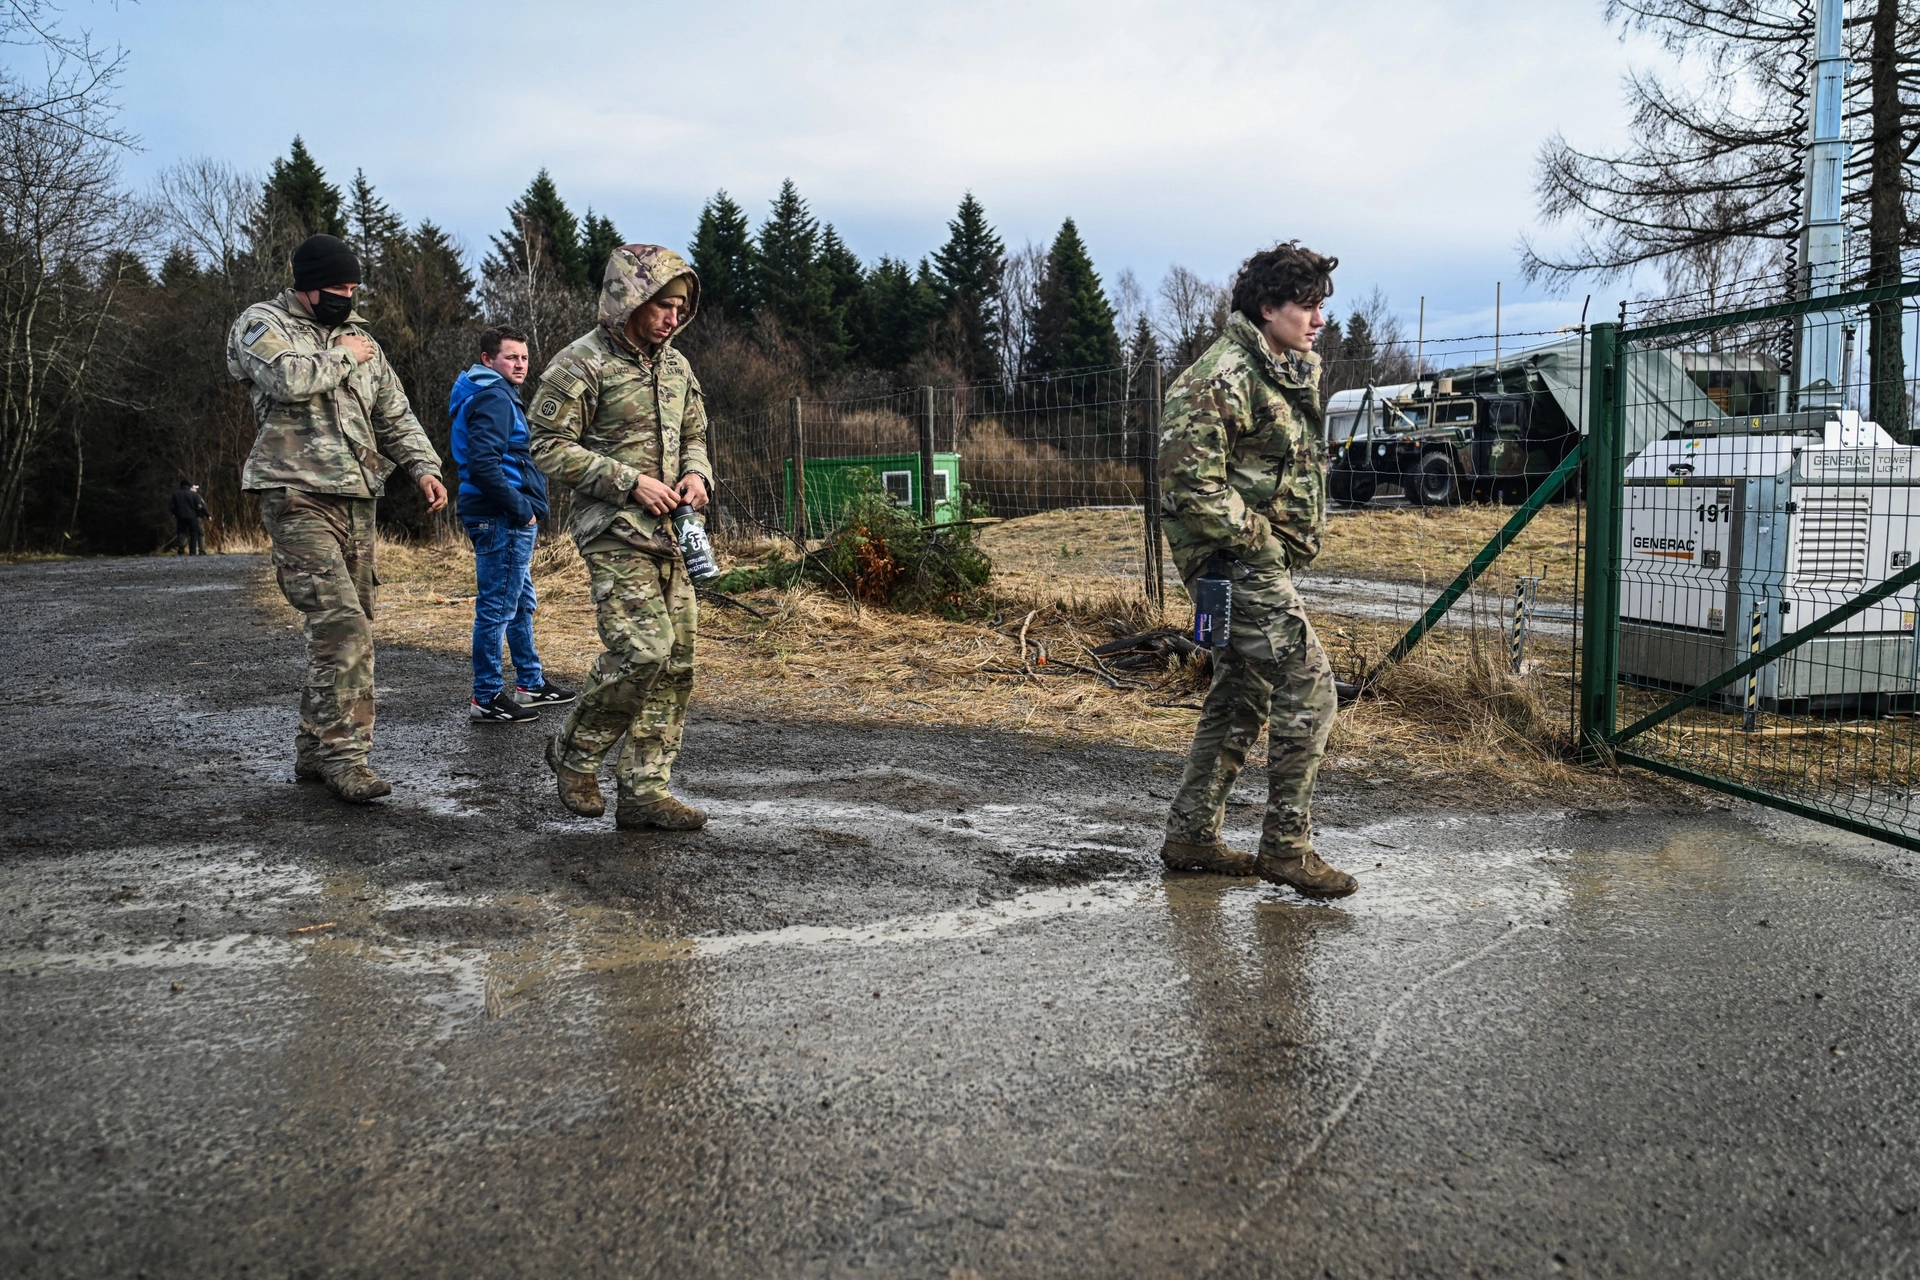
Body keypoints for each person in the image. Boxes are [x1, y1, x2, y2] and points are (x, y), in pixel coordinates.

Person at [1156, 241, 1356, 898]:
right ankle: (1286, 846)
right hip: (1232, 560)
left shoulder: (1280, 369)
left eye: (1320, 306)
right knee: (1311, 686)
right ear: (1267, 307)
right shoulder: (1223, 377)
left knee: (1242, 692)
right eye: (1306, 306)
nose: (1318, 319)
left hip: (1251, 560)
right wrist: (1260, 540)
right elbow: (1190, 484)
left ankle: (1191, 834)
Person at [226, 233, 448, 804]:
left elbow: (393, 411)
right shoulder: (262, 323)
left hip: (357, 496)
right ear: (308, 285)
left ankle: (313, 748)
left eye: (354, 288)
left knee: (347, 629)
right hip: (295, 492)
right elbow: (288, 380)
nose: (348, 298)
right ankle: (348, 759)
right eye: (339, 288)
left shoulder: (361, 339)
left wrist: (424, 467)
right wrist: (345, 354)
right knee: (343, 627)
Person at [527, 245, 711, 832]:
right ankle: (576, 754)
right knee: (643, 650)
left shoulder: (678, 367)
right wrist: (629, 483)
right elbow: (546, 445)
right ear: (629, 299)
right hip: (612, 529)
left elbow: (697, 435)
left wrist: (696, 476)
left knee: (677, 660)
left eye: (680, 307)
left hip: (673, 534)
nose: (672, 317)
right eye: (662, 304)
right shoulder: (580, 363)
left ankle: (645, 791)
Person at [448, 325, 575, 723]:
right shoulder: (495, 397)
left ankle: (530, 684)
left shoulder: (490, 393)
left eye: (523, 357)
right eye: (510, 357)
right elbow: (485, 464)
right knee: (497, 608)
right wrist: (521, 508)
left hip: (496, 512)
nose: (520, 364)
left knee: (518, 602)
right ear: (489, 360)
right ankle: (486, 697)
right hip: (500, 515)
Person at [169, 480, 211, 555]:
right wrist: (206, 514)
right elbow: (200, 506)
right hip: (192, 517)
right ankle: (192, 551)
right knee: (193, 534)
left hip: (180, 516)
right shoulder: (194, 495)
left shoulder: (175, 494)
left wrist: (176, 513)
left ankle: (181, 543)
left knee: (181, 532)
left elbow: (171, 506)